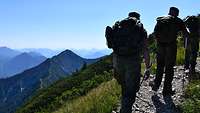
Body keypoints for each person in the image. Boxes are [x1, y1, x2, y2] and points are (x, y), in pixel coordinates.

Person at [105, 12, 151, 113]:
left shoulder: (118, 27)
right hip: (132, 61)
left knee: (124, 85)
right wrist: (148, 67)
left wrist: (115, 65)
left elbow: (112, 46)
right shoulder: (139, 29)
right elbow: (145, 50)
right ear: (138, 18)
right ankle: (125, 109)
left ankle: (124, 105)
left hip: (118, 60)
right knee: (131, 89)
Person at [152, 7, 189, 96]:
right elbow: (186, 33)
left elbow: (155, 33)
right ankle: (166, 90)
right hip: (171, 46)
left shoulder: (161, 19)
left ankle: (156, 85)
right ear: (176, 13)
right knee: (169, 67)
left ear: (169, 11)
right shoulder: (178, 20)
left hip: (160, 46)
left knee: (160, 66)